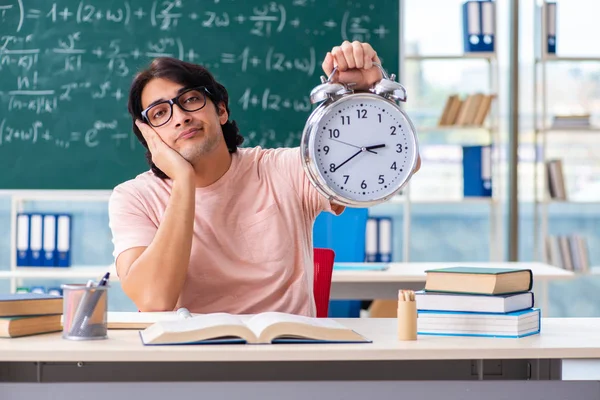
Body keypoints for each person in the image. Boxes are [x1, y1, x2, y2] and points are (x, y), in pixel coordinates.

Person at [108, 41, 421, 315]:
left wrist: (368, 93)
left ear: (220, 110)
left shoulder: (281, 169)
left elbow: (404, 162)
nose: (180, 117)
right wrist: (183, 181)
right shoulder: (133, 198)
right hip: (192, 365)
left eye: (190, 100)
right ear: (149, 136)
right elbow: (154, 300)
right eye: (160, 113)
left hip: (287, 360)